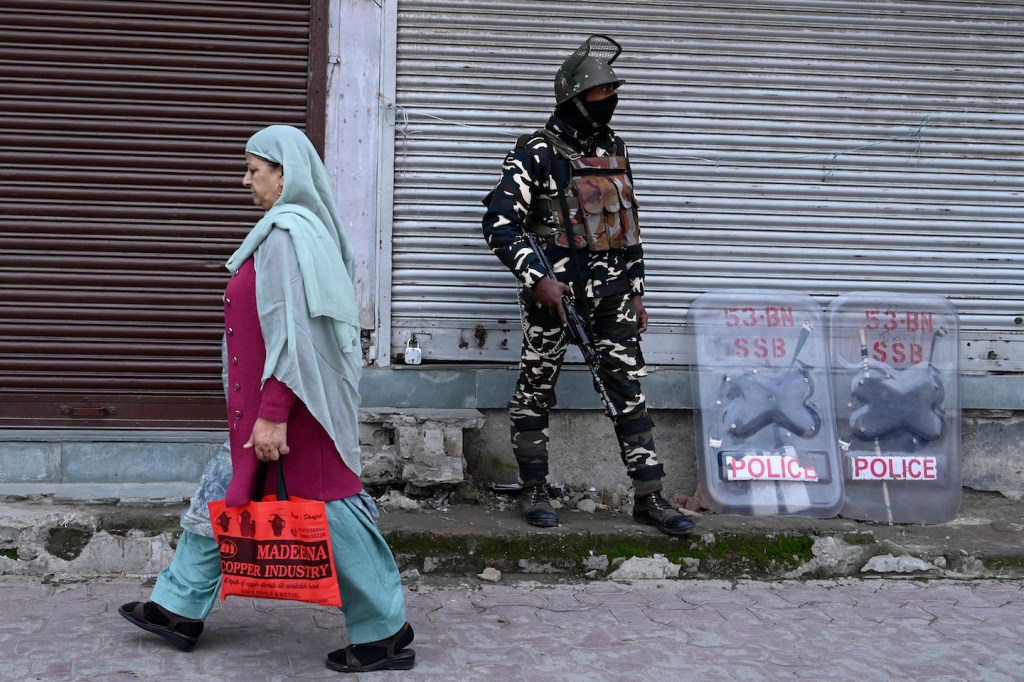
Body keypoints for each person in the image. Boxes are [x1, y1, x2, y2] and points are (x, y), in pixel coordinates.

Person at [119, 125, 415, 673]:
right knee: (223, 496)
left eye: (254, 169)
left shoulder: (286, 237)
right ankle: (176, 608)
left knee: (334, 512)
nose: (245, 180)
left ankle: (386, 631)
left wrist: (274, 415)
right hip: (264, 409)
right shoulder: (288, 231)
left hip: (292, 410)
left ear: (285, 174)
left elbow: (293, 333)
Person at [481, 35, 695, 536]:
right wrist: (538, 280)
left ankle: (650, 496)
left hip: (613, 296)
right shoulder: (535, 151)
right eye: (600, 98)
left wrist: (637, 288)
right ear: (573, 101)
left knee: (627, 391)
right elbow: (498, 222)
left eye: (611, 97)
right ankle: (534, 488)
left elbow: (629, 226)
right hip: (554, 300)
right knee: (536, 389)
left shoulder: (615, 150)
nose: (610, 105)